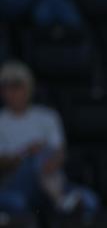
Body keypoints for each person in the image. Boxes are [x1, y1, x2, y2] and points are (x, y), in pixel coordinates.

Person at [0, 60, 97, 214]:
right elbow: (3, 163)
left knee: (89, 201)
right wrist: (26, 153)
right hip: (17, 182)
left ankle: (60, 199)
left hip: (51, 178)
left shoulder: (47, 117)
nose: (11, 92)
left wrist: (45, 160)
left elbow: (59, 153)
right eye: (6, 86)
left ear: (28, 87)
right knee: (33, 159)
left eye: (16, 86)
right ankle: (60, 201)